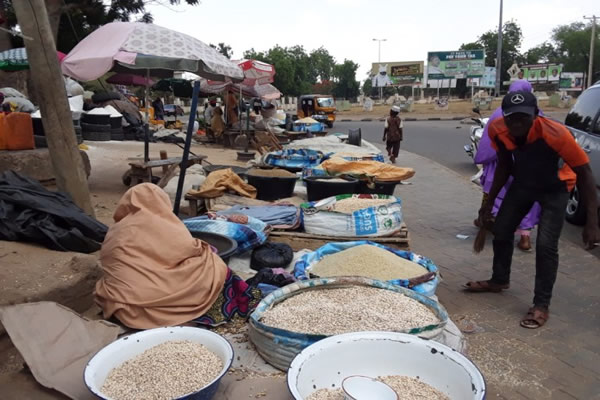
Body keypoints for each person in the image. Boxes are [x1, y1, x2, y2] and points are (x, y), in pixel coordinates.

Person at [465, 90, 599, 329]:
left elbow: (585, 175)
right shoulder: (498, 129)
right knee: (502, 229)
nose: (517, 123)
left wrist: (592, 221)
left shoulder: (556, 134)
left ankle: (541, 305)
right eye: (511, 117)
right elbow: (505, 166)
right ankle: (499, 280)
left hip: (555, 189)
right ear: (504, 116)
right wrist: (487, 203)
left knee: (546, 246)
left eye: (523, 118)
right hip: (524, 184)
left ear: (536, 115)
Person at [95, 184, 260, 329]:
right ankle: (203, 310)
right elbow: (188, 249)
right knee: (214, 265)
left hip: (124, 307)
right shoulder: (164, 224)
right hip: (151, 304)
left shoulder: (115, 231)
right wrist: (203, 248)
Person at [474, 80, 542, 251]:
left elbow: (487, 145)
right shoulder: (538, 114)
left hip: (505, 166)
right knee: (527, 201)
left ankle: (501, 230)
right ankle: (524, 237)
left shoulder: (499, 114)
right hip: (524, 167)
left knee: (501, 198)